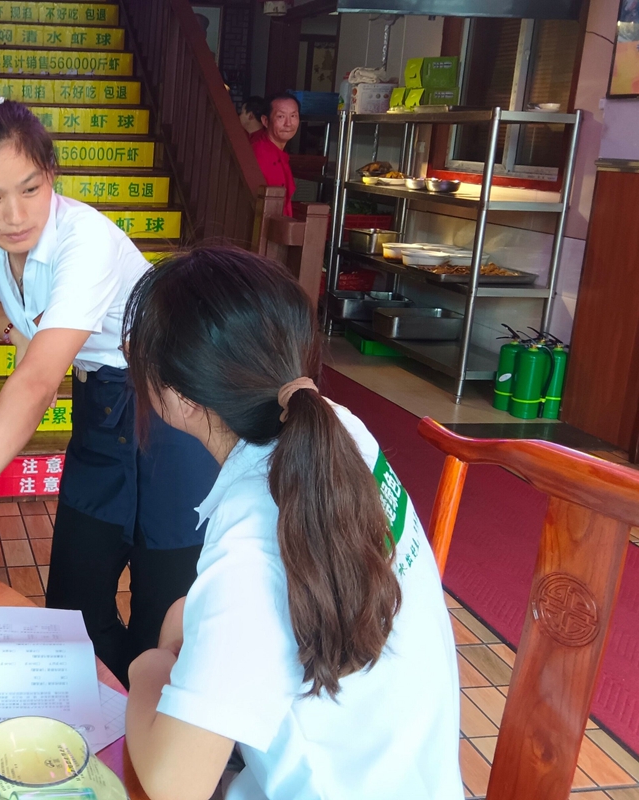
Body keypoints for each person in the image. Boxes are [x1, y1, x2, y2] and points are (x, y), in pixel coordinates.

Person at [0, 97, 220, 684]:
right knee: (74, 606)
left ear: (51, 176)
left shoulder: (85, 242)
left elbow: (32, 385)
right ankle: (100, 724)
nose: (15, 215)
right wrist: (17, 332)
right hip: (103, 401)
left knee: (166, 610)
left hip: (173, 405)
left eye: (31, 189)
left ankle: (153, 741)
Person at [122, 246, 462, 800]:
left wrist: (149, 667)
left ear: (181, 399)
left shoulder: (250, 551)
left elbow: (173, 783)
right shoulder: (338, 432)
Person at [250, 91, 300, 216]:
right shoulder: (259, 153)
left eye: (293, 116)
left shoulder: (279, 152)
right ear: (265, 121)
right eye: (281, 117)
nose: (288, 123)